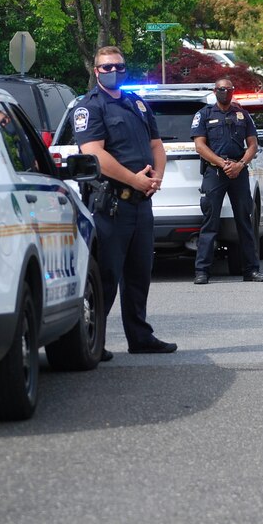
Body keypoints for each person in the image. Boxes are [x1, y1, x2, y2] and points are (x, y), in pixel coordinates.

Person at [73, 46, 176, 358]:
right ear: (96, 71)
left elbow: (156, 145)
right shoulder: (90, 106)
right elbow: (94, 153)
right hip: (111, 205)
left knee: (139, 273)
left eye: (118, 66)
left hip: (141, 203)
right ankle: (93, 341)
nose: (112, 71)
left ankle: (140, 336)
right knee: (106, 276)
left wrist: (155, 178)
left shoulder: (136, 103)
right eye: (106, 67)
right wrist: (134, 180)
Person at [191, 78, 263, 285]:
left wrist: (240, 164)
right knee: (210, 222)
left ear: (233, 91)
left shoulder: (242, 115)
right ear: (215, 91)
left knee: (244, 221)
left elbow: (252, 144)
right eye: (221, 89)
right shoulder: (204, 115)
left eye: (228, 89)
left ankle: (251, 270)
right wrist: (222, 163)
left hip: (239, 171)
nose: (225, 92)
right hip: (215, 173)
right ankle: (202, 271)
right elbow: (200, 145)